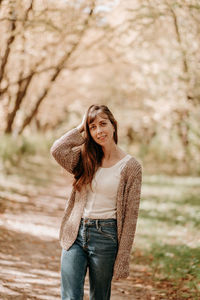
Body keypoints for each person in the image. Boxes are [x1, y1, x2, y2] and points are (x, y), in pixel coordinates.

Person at [50, 104, 142, 300]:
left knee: (99, 296)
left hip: (106, 237)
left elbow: (131, 217)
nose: (99, 131)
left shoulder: (131, 167)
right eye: (93, 127)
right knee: (69, 296)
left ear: (113, 126)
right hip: (75, 233)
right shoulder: (85, 158)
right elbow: (57, 150)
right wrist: (80, 128)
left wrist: (123, 257)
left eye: (103, 124)